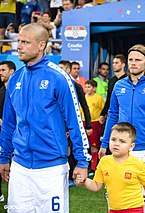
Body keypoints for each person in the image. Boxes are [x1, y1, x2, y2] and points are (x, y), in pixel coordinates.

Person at [0, 23, 91, 212]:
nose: (19, 46)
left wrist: (82, 162)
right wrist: (3, 157)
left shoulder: (59, 78)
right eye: (19, 41)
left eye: (25, 42)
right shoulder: (15, 79)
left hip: (51, 169)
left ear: (41, 45)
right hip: (20, 166)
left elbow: (75, 123)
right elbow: (8, 124)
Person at [99, 44, 145, 213]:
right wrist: (104, 144)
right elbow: (112, 115)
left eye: (138, 60)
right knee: (116, 195)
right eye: (131, 59)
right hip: (121, 151)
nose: (133, 63)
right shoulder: (118, 86)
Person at [76, 122, 145, 213]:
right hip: (113, 210)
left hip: (134, 209)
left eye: (122, 141)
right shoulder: (104, 162)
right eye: (113, 139)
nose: (116, 144)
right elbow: (96, 186)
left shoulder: (138, 164)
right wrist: (84, 180)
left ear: (131, 146)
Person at [59, 60, 92, 187]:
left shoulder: (76, 86)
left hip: (73, 124)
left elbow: (84, 106)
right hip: (59, 125)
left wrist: (88, 124)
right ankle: (69, 174)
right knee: (66, 150)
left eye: (62, 68)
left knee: (72, 149)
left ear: (68, 70)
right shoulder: (56, 85)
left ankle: (75, 173)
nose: (58, 70)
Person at [0, 60, 15, 202]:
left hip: (14, 137)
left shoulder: (17, 91)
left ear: (11, 72)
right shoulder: (1, 91)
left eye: (3, 70)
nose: (0, 73)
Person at [99, 54, 127, 125]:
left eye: (117, 63)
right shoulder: (111, 81)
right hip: (113, 114)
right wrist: (103, 114)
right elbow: (109, 99)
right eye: (113, 63)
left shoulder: (128, 80)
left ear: (123, 64)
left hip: (125, 115)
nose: (114, 65)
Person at [84, 80, 104, 172]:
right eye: (86, 87)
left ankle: (94, 167)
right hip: (84, 123)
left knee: (94, 146)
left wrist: (101, 118)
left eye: (89, 87)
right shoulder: (83, 98)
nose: (87, 89)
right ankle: (86, 165)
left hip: (95, 123)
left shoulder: (99, 98)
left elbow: (103, 110)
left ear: (94, 88)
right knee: (85, 145)